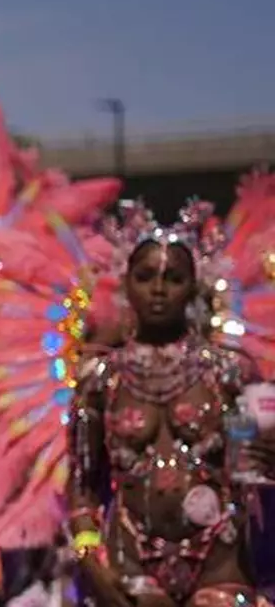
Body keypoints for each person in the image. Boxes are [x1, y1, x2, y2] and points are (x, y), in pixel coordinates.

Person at [67, 201, 275, 606]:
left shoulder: (231, 373)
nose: (158, 288)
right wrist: (90, 558)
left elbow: (261, 472)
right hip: (130, 564)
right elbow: (80, 486)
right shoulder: (99, 380)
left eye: (173, 277)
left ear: (194, 286)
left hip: (220, 560)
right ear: (126, 284)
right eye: (145, 277)